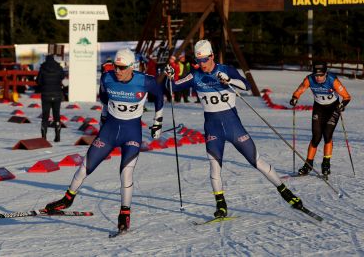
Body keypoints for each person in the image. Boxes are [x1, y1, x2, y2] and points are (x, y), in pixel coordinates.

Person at [164, 39, 304, 218]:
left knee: (256, 161)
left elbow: (246, 86)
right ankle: (221, 205)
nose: (202, 64)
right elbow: (173, 85)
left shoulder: (226, 69)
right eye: (199, 61)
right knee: (214, 167)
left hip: (233, 126)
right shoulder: (195, 75)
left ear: (212, 56)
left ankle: (286, 193)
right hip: (213, 128)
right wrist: (169, 74)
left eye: (205, 60)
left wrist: (229, 80)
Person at [45, 48, 164, 233]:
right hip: (109, 131)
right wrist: (104, 114)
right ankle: (67, 199)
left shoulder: (145, 81)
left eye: (122, 67)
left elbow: (160, 96)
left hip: (131, 133)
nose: (117, 70)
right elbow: (104, 98)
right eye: (116, 66)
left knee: (126, 173)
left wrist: (158, 122)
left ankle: (125, 213)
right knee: (86, 165)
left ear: (132, 66)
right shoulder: (107, 78)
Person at [289, 61, 351, 178]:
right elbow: (299, 90)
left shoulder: (333, 80)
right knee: (316, 137)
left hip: (333, 109)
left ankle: (326, 164)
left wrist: (342, 105)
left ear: (326, 73)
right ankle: (308, 164)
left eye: (321, 75)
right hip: (319, 108)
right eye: (316, 75)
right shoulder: (309, 79)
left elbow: (347, 97)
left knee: (327, 135)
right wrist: (294, 98)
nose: (318, 78)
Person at [36, 54, 65, 142]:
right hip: (57, 94)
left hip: (45, 94)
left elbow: (38, 81)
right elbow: (62, 77)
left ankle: (44, 137)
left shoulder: (43, 68)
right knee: (56, 115)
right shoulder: (58, 67)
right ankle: (58, 136)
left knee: (45, 116)